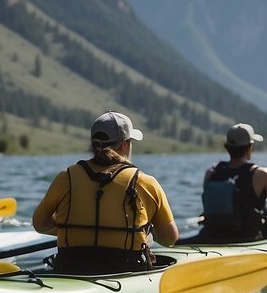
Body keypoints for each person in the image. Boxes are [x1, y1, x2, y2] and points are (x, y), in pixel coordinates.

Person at [32, 111, 179, 274]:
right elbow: (170, 238)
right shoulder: (144, 182)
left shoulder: (66, 178)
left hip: (70, 266)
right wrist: (146, 232)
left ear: (93, 145)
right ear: (125, 145)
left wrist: (78, 230)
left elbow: (40, 224)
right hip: (125, 269)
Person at [199, 123, 267, 241]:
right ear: (250, 147)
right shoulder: (263, 175)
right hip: (248, 237)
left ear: (227, 147)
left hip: (213, 235)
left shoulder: (211, 173)